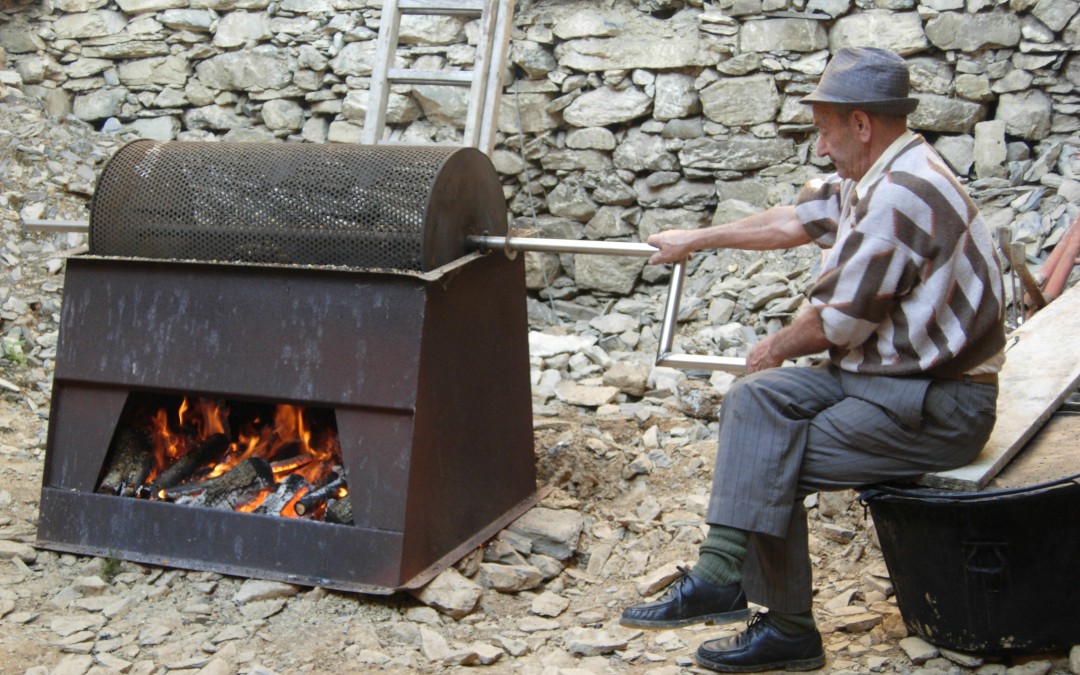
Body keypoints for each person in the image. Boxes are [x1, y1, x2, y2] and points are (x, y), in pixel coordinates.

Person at [619, 47, 1005, 673]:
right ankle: (721, 573)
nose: (819, 149)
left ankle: (788, 628)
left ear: (861, 124)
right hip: (879, 381)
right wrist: (697, 238)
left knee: (774, 457)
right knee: (756, 401)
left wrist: (771, 346)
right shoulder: (876, 171)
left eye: (825, 131)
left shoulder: (902, 193)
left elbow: (834, 322)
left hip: (941, 403)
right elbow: (794, 218)